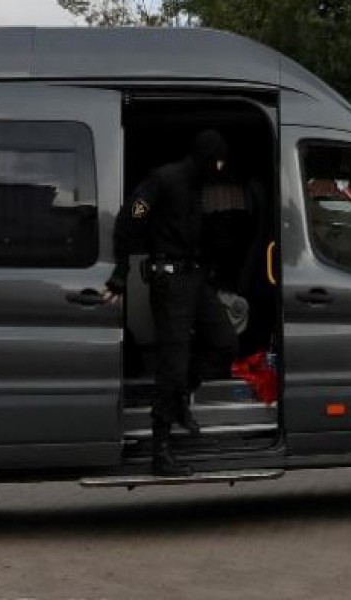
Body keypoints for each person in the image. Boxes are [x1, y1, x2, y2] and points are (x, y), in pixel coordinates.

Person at [104, 129, 240, 477]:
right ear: (206, 159)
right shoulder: (164, 179)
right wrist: (120, 272)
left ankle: (181, 394)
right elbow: (129, 219)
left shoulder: (196, 185)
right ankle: (160, 451)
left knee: (226, 343)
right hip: (169, 282)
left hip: (194, 278)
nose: (220, 170)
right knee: (172, 364)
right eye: (218, 162)